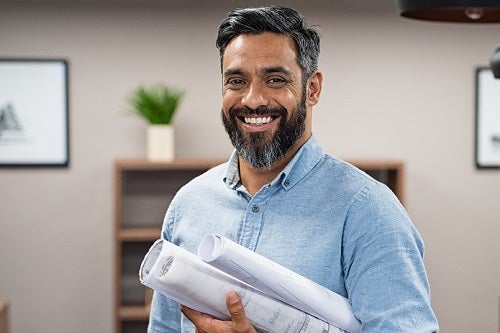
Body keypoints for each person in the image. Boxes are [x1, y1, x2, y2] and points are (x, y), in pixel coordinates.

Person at [147, 5, 439, 333]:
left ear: (311, 89)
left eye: (275, 79)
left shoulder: (368, 211)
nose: (253, 99)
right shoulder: (188, 204)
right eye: (236, 81)